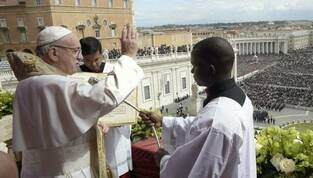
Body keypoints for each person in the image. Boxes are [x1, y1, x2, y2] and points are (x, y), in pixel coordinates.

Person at [12, 25, 143, 178]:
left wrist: (93, 125)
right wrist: (128, 56)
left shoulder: (28, 83)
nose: (80, 58)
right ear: (54, 53)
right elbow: (106, 95)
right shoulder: (51, 83)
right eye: (75, 51)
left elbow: (59, 123)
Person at [140, 37, 256, 178]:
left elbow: (198, 172)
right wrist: (163, 121)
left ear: (210, 70)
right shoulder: (240, 97)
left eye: (195, 65)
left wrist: (165, 161)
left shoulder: (216, 120)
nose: (191, 71)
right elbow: (201, 127)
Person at [80, 36, 132, 178]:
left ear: (102, 54)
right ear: (82, 57)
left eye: (96, 59)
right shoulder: (77, 75)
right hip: (91, 133)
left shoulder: (114, 71)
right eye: (88, 61)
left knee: (117, 169)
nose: (93, 65)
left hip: (114, 133)